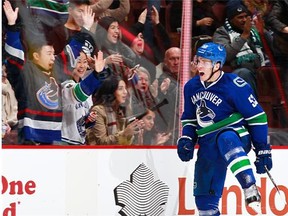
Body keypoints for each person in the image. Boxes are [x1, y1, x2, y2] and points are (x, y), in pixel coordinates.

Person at [177, 42, 272, 215]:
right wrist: (187, 138)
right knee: (204, 202)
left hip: (235, 134)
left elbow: (257, 117)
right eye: (198, 61)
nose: (199, 65)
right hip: (208, 142)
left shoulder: (235, 84)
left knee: (225, 138)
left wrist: (262, 150)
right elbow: (189, 118)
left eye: (205, 62)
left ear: (217, 65)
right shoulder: (191, 87)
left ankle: (249, 187)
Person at [3, 0, 95, 144]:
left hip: (53, 137)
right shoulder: (26, 71)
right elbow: (14, 55)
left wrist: (86, 29)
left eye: (53, 53)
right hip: (29, 137)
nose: (53, 57)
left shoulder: (55, 70)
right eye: (49, 53)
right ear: (36, 56)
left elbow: (71, 51)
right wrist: (13, 27)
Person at [213, 0, 270, 98]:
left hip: (260, 66)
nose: (244, 20)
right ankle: (252, 110)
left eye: (245, 16)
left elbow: (272, 48)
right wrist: (244, 36)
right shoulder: (221, 33)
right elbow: (225, 55)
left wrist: (263, 33)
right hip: (237, 70)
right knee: (243, 73)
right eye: (239, 17)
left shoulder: (253, 29)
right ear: (231, 19)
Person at [61, 50, 108, 145]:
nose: (82, 66)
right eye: (79, 61)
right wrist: (96, 73)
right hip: (64, 142)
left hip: (80, 143)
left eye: (85, 61)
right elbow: (79, 93)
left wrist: (88, 119)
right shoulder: (65, 86)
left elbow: (81, 122)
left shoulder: (87, 92)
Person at [86, 75, 144, 145]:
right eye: (120, 89)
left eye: (125, 88)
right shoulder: (97, 111)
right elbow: (101, 142)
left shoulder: (119, 111)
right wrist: (125, 133)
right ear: (111, 91)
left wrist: (131, 135)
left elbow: (122, 143)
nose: (125, 92)